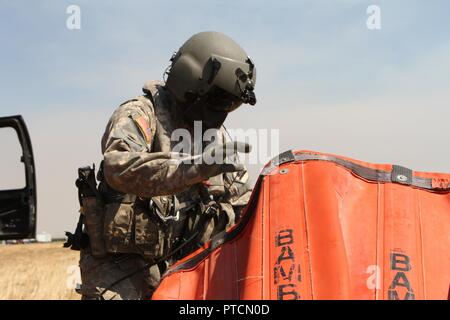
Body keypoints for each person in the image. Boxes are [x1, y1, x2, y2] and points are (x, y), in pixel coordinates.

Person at [76, 31, 257, 300]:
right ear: (190, 81)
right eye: (220, 100)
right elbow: (118, 167)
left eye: (231, 105)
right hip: (120, 273)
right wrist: (193, 169)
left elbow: (243, 203)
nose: (222, 113)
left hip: (185, 274)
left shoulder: (214, 137)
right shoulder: (140, 113)